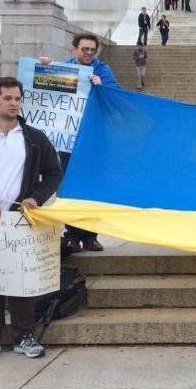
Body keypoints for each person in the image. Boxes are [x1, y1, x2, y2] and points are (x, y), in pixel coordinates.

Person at [0, 77, 63, 362]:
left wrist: (35, 197)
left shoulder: (34, 138)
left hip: (20, 219)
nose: (14, 104)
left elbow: (54, 173)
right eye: (8, 98)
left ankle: (24, 334)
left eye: (18, 99)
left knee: (22, 279)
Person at [40, 34, 117, 253]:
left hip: (95, 139)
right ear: (74, 50)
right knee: (70, 187)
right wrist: (43, 68)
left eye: (93, 50)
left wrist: (102, 87)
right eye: (85, 49)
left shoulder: (103, 71)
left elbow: (116, 97)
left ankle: (91, 235)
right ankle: (72, 234)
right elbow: (46, 94)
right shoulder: (64, 69)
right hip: (70, 141)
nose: (89, 54)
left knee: (93, 188)